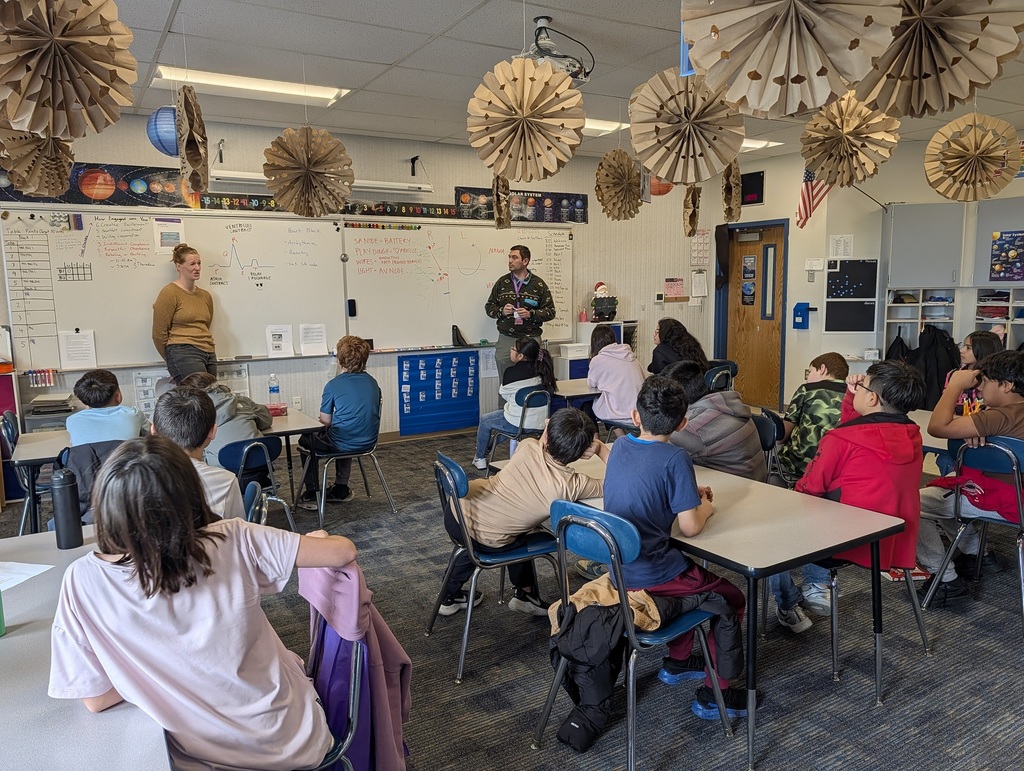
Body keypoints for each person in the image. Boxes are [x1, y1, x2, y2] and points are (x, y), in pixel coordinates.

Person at [47, 435, 358, 770]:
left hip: (197, 761)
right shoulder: (235, 537)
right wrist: (319, 537)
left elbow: (95, 699)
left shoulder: (81, 580)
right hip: (289, 741)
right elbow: (344, 551)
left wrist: (152, 673)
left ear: (105, 506)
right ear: (190, 491)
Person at [602, 376, 748, 721]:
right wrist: (705, 507)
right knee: (730, 599)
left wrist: (684, 494)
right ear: (683, 423)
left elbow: (644, 485)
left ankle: (679, 661)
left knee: (693, 586)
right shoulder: (676, 457)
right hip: (654, 573)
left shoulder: (620, 445)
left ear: (635, 416)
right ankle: (717, 695)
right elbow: (690, 527)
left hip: (619, 571)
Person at [440, 408, 609, 616]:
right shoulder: (571, 486)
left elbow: (545, 436)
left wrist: (550, 427)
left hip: (457, 510)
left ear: (546, 434)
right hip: (485, 539)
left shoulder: (527, 446)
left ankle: (450, 596)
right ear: (580, 453)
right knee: (523, 532)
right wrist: (600, 449)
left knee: (518, 527)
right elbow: (617, 481)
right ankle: (525, 595)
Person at [792, 360, 926, 622]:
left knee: (778, 528)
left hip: (841, 540)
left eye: (861, 386)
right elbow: (864, 429)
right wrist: (854, 396)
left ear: (873, 398)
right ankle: (817, 585)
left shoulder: (840, 439)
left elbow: (810, 489)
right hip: (888, 539)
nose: (854, 389)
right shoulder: (912, 434)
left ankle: (798, 596)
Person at [916, 350, 1024, 606]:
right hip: (1016, 497)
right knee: (948, 494)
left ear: (1006, 385)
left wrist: (953, 386)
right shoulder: (1005, 414)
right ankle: (977, 553)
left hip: (1000, 498)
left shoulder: (998, 416)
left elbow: (937, 427)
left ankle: (945, 579)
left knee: (912, 504)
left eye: (984, 382)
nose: (980, 388)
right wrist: (979, 424)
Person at [773, 352, 849, 615]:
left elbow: (784, 435)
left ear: (823, 368)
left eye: (810, 370)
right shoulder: (856, 394)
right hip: (837, 476)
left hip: (797, 469)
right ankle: (816, 583)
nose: (808, 375)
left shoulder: (807, 390)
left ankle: (781, 556)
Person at [298, 335, 381, 509]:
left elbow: (325, 421)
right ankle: (341, 487)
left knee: (306, 439)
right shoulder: (373, 383)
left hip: (343, 441)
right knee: (344, 431)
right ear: (365, 358)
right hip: (368, 440)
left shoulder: (333, 385)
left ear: (339, 359)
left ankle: (312, 492)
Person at [662, 361, 767, 483]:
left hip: (738, 493)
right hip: (753, 484)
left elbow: (653, 445)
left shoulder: (694, 426)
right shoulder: (722, 402)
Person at [152, 386, 246, 520]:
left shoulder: (134, 479)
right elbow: (237, 532)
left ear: (153, 431)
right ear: (212, 432)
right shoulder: (226, 481)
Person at [472, 337, 556, 470]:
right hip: (540, 423)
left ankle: (480, 458)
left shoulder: (510, 372)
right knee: (503, 420)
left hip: (517, 423)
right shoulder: (542, 370)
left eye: (513, 349)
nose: (510, 351)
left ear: (521, 356)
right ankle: (490, 445)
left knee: (486, 420)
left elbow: (503, 394)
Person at [483, 244, 556, 386]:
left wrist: (531, 314)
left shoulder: (538, 285)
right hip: (506, 340)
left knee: (532, 379)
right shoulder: (502, 283)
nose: (510, 260)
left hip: (530, 340)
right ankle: (504, 407)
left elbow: (550, 312)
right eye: (509, 257)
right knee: (506, 382)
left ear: (525, 261)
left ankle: (532, 406)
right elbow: (489, 307)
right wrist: (501, 311)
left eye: (514, 257)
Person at [934, 331, 1003, 476]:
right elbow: (944, 408)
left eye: (968, 347)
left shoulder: (997, 381)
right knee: (944, 459)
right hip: (956, 431)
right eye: (962, 346)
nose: (961, 350)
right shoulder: (954, 375)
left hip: (985, 436)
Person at [178, 371, 273, 469]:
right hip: (259, 463)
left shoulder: (195, 414)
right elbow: (266, 420)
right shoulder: (241, 401)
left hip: (221, 472)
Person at [152, 243, 216, 382]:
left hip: (208, 351)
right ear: (179, 266)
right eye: (192, 264)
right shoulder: (170, 293)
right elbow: (158, 333)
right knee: (197, 398)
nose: (197, 268)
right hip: (182, 351)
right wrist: (171, 358)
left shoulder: (205, 296)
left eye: (199, 263)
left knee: (212, 399)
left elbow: (206, 325)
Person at [67, 369, 148, 445]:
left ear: (83, 401)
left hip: (87, 460)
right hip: (127, 459)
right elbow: (153, 434)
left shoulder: (72, 421)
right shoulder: (133, 414)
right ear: (118, 396)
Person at [587, 323, 645, 426]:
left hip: (619, 413)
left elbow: (592, 383)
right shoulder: (630, 355)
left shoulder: (598, 360)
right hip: (640, 411)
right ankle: (620, 436)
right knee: (608, 401)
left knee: (588, 407)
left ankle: (595, 439)